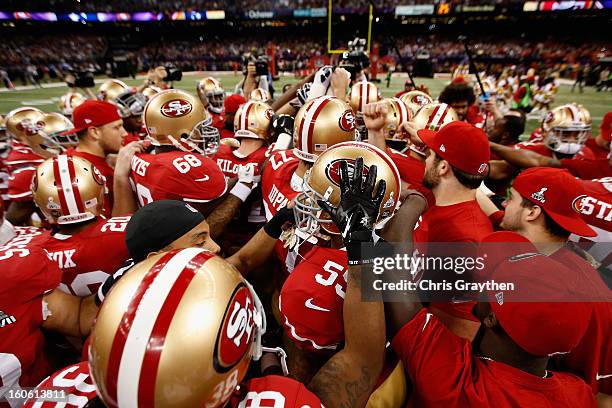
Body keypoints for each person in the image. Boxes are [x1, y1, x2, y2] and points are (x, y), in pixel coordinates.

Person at [379, 192, 597, 406]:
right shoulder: (579, 395)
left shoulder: (454, 382)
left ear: (492, 318)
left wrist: (415, 202)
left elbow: (392, 276)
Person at [61, 100, 128, 213]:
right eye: (117, 127)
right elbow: (111, 227)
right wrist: (121, 177)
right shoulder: (86, 174)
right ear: (94, 132)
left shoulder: (72, 155)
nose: (124, 133)